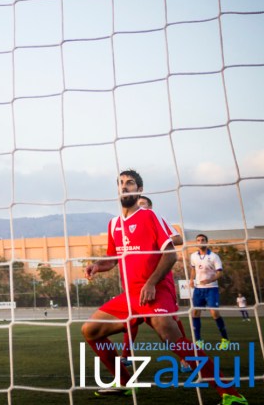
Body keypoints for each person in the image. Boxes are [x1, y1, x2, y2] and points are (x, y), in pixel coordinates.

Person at [82, 170, 247, 404]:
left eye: (130, 183)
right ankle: (124, 382)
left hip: (156, 291)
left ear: (139, 189)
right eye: (121, 183)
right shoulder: (114, 224)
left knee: (170, 336)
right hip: (131, 296)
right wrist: (97, 266)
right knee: (90, 330)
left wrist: (151, 282)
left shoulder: (150, 216)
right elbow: (113, 259)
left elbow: (170, 255)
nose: (125, 186)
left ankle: (231, 394)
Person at [119, 195, 190, 372]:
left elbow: (179, 239)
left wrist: (154, 238)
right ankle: (125, 356)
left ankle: (185, 358)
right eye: (139, 205)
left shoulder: (156, 220)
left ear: (150, 208)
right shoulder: (125, 224)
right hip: (136, 281)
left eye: (144, 205)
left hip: (160, 280)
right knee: (131, 319)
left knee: (170, 321)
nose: (140, 208)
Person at [190, 234, 230, 349]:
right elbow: (193, 269)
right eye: (198, 240)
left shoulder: (214, 256)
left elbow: (219, 273)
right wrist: (191, 280)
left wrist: (209, 280)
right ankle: (198, 341)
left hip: (211, 288)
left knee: (214, 313)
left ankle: (225, 339)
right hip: (198, 289)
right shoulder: (193, 256)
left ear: (207, 242)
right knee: (195, 313)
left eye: (203, 240)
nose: (200, 242)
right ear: (196, 243)